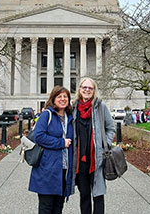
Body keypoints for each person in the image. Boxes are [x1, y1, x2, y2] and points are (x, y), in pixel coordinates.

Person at [72, 77, 115, 214]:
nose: (87, 90)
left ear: (94, 91)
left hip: (97, 159)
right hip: (80, 161)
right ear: (79, 89)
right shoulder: (74, 108)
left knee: (98, 195)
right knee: (84, 195)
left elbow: (111, 128)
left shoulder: (100, 107)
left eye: (90, 88)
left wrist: (105, 144)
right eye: (84, 87)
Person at [28, 86, 74, 214]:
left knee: (58, 208)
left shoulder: (70, 117)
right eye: (59, 96)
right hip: (47, 169)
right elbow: (39, 136)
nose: (63, 99)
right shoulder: (46, 115)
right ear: (53, 99)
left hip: (64, 170)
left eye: (65, 97)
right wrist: (61, 143)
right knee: (46, 208)